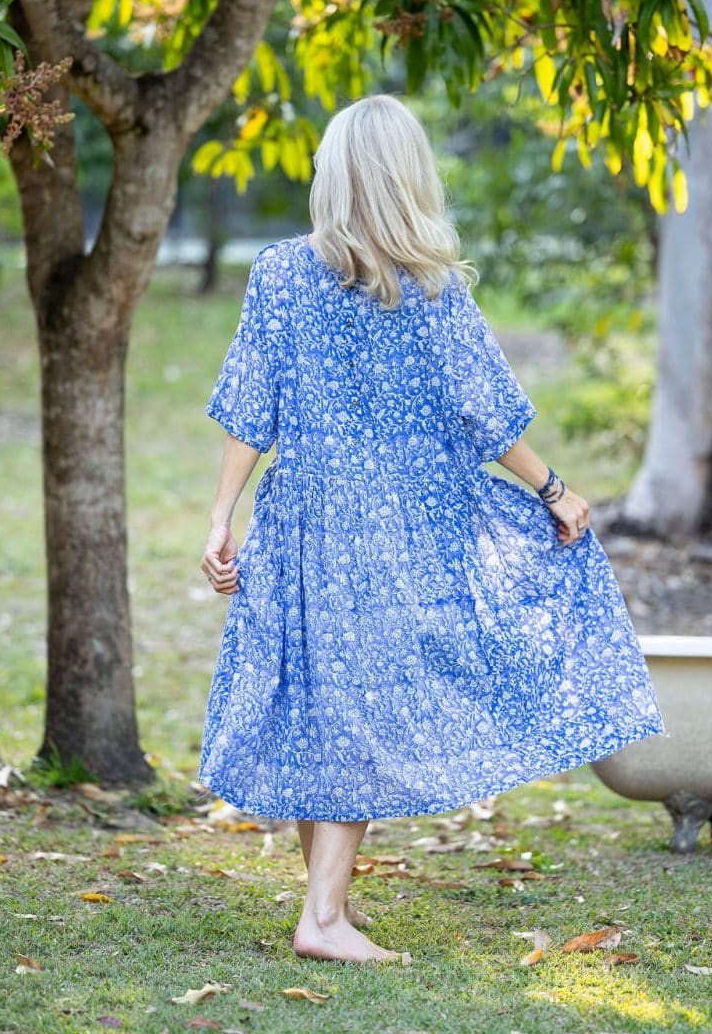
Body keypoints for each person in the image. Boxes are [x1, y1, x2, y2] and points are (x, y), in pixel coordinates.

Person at [198, 94, 667, 966]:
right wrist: (555, 489)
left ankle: (324, 906)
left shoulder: (278, 273)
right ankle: (325, 920)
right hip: (394, 532)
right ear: (408, 178)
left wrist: (222, 519)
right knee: (360, 712)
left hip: (299, 523)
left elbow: (247, 408)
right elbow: (488, 410)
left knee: (326, 708)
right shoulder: (429, 289)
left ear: (334, 175)